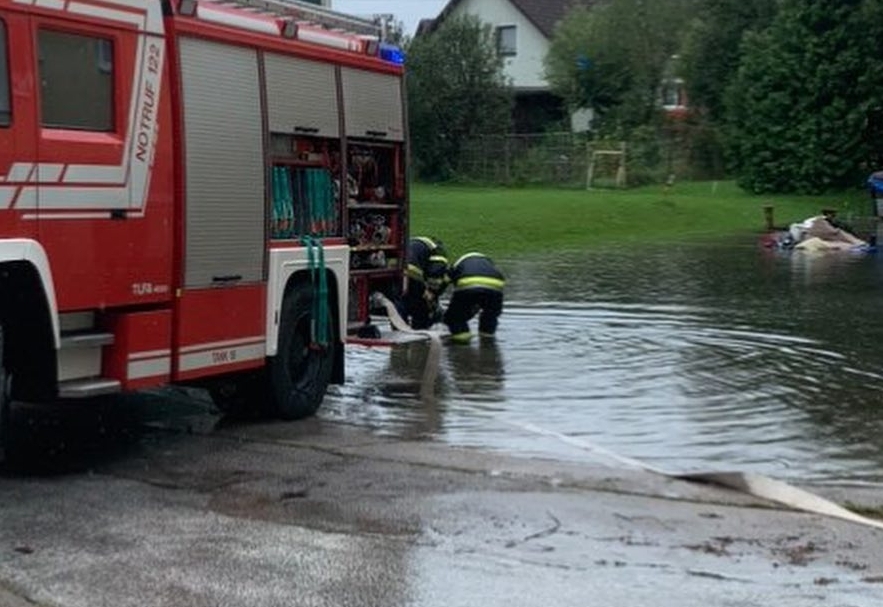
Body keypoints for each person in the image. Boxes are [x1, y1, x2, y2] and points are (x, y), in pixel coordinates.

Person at [443, 252, 505, 344]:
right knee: (490, 315)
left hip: (467, 285)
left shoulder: (458, 263)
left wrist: (433, 294)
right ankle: (487, 342)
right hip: (496, 287)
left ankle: (461, 343)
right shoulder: (489, 263)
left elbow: (444, 281)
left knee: (454, 318)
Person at [400, 236, 450, 330]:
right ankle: (420, 330)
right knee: (421, 305)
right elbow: (436, 272)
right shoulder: (438, 250)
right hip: (413, 272)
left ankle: (400, 329)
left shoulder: (416, 243)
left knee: (402, 302)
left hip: (396, 270)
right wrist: (432, 291)